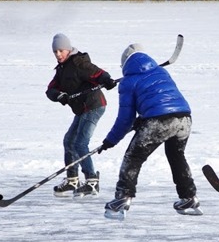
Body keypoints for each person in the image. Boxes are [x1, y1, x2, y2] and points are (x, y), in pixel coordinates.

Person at [100, 43, 201, 220]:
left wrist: (110, 141)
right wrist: (143, 121)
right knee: (177, 156)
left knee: (133, 157)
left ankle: (122, 198)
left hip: (160, 120)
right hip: (185, 117)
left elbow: (125, 119)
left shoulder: (128, 82)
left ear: (125, 65)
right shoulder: (161, 72)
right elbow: (158, 98)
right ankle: (188, 198)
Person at [46, 33, 117, 198]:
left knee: (80, 143)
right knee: (69, 140)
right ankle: (72, 180)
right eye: (55, 51)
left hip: (93, 106)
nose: (58, 54)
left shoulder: (79, 63)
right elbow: (50, 89)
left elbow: (99, 74)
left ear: (68, 49)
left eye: (61, 50)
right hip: (81, 109)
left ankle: (92, 181)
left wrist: (108, 81)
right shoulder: (62, 69)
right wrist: (59, 95)